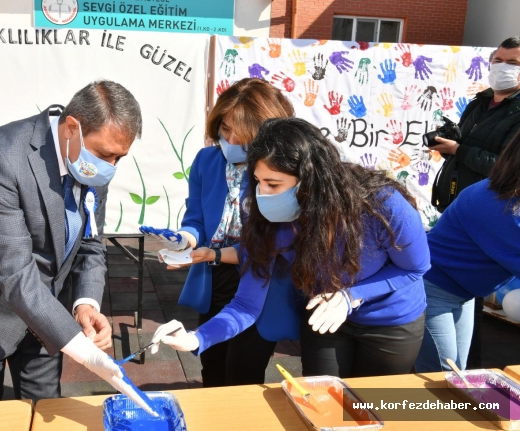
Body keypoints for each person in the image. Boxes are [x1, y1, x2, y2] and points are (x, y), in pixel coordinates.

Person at [0, 81, 151, 410]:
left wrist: (86, 303)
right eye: (104, 155)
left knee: (44, 410)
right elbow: (11, 268)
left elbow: (91, 244)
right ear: (73, 128)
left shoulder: (91, 169)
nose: (110, 166)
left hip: (46, 320)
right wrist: (84, 352)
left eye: (119, 157)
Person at [151, 118, 430, 379]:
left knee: (375, 407)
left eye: (273, 184)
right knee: (325, 401)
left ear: (310, 179)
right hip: (323, 317)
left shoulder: (382, 205)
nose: (263, 194)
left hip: (391, 320)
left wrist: (351, 296)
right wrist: (195, 338)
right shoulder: (269, 220)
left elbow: (415, 268)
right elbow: (247, 304)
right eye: (258, 182)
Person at [142, 78, 296, 387]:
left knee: (243, 370)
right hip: (214, 274)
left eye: (242, 133)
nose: (231, 139)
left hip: (259, 274)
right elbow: (196, 217)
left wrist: (211, 253)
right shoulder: (206, 160)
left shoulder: (275, 170)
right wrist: (184, 240)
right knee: (211, 362)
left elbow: (274, 242)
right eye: (225, 129)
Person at [430, 37, 520, 368]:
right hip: (437, 287)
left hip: (462, 289)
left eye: (512, 62)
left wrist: (461, 150)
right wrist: (454, 145)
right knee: (442, 381)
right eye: (498, 60)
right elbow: (498, 165)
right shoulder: (500, 207)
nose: (502, 67)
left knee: (458, 374)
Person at [415, 131, 520, 372]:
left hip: (464, 294)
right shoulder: (495, 204)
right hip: (432, 291)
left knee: (456, 377)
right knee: (443, 379)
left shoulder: (499, 193)